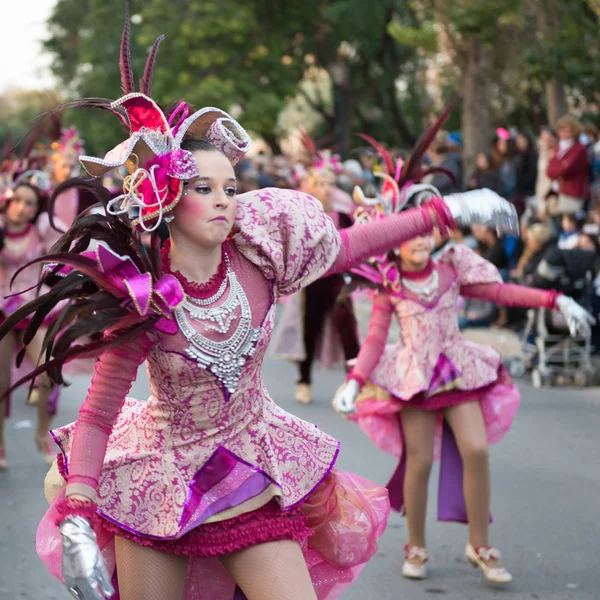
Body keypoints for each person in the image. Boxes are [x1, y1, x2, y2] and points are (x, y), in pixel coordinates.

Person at [1, 17, 519, 600]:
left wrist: (444, 212)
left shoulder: (259, 255)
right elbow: (97, 416)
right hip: (158, 480)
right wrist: (77, 515)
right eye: (204, 188)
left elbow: (348, 247)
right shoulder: (140, 295)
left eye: (230, 185)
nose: (224, 199)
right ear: (167, 198)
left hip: (250, 468)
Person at [333, 175, 593, 585]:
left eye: (426, 232)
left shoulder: (454, 265)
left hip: (457, 369)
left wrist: (554, 299)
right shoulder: (390, 283)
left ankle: (481, 544)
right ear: (395, 235)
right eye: (412, 233)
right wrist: (354, 380)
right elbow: (376, 339)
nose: (420, 241)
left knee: (476, 450)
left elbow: (501, 293)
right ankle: (415, 544)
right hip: (414, 377)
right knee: (418, 463)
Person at [272, 133, 360, 405]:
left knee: (348, 329)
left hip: (339, 280)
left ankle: (356, 381)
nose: (327, 188)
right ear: (311, 184)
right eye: (321, 183)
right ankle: (304, 380)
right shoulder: (303, 212)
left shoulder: (344, 214)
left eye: (330, 183)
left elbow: (355, 243)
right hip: (313, 280)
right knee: (308, 330)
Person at [0, 171, 65, 467]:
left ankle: (42, 434)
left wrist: (45, 221)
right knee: (1, 383)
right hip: (2, 313)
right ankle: (0, 444)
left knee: (49, 371)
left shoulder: (40, 232)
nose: (22, 208)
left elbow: (64, 243)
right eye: (18, 201)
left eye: (30, 204)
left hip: (33, 309)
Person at [547, 115, 590, 215]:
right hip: (561, 192)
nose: (564, 132)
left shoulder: (579, 149)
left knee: (571, 224)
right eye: (562, 129)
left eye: (568, 129)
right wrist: (560, 167)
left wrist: (559, 168)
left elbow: (566, 169)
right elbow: (550, 171)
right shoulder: (559, 148)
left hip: (574, 193)